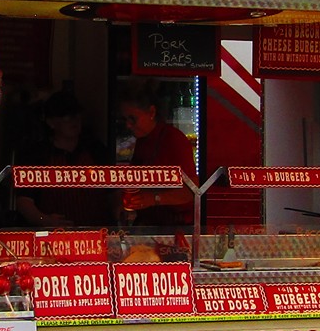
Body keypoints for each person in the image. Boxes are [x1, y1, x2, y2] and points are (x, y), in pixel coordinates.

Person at [15, 91, 110, 229]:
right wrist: (44, 220)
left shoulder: (95, 149)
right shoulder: (37, 155)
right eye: (67, 116)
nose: (74, 120)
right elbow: (24, 201)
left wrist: (120, 211)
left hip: (97, 234)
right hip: (54, 238)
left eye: (77, 115)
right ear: (51, 122)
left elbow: (114, 192)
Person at [114, 80, 195, 228]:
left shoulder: (173, 139)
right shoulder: (142, 141)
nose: (128, 125)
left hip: (175, 227)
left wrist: (154, 198)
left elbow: (191, 192)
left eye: (133, 118)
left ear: (151, 112)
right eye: (125, 119)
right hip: (148, 224)